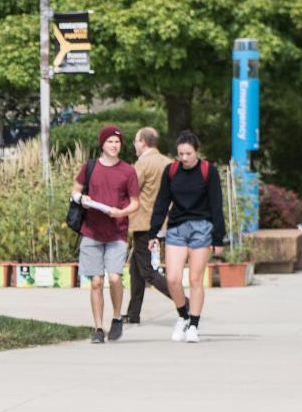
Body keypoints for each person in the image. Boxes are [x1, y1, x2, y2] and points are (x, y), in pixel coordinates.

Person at [148, 130, 225, 343]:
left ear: (197, 152)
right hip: (176, 229)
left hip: (202, 229)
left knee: (195, 279)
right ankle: (182, 316)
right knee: (172, 278)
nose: (183, 158)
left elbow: (217, 205)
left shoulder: (208, 171)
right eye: (180, 153)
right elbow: (162, 202)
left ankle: (194, 325)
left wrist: (218, 238)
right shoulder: (171, 171)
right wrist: (153, 232)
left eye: (188, 153)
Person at [70, 125, 140, 343]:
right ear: (102, 144)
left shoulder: (128, 171)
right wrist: (82, 200)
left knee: (114, 277)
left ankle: (117, 317)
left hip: (117, 232)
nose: (114, 145)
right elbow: (75, 190)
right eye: (110, 141)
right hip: (91, 231)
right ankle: (98, 329)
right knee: (97, 282)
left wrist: (121, 211)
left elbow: (136, 203)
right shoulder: (89, 167)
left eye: (117, 142)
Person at [125, 127, 172, 323]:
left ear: (143, 142)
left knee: (147, 271)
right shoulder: (169, 163)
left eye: (136, 141)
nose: (134, 145)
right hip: (163, 222)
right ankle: (133, 314)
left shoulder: (143, 164)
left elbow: (131, 190)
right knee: (135, 269)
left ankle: (184, 302)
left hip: (144, 223)